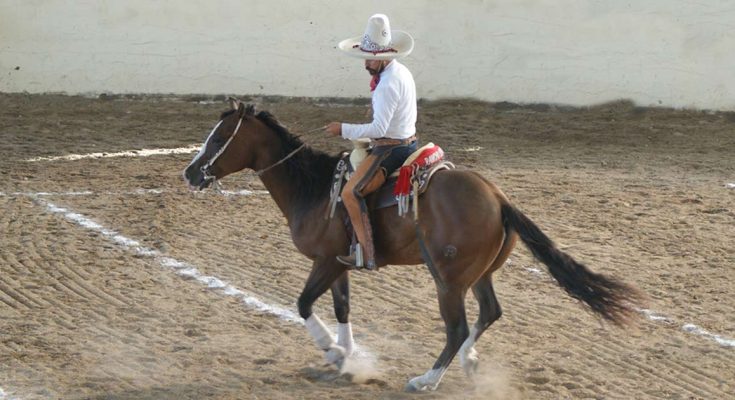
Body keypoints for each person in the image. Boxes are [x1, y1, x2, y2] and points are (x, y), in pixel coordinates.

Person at [326, 14, 418, 270]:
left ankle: (367, 253)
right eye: (366, 58)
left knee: (350, 193)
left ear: (383, 59)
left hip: (392, 148)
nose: (366, 63)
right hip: (407, 140)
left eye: (370, 59)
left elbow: (379, 128)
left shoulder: (388, 85)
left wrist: (342, 128)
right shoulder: (400, 71)